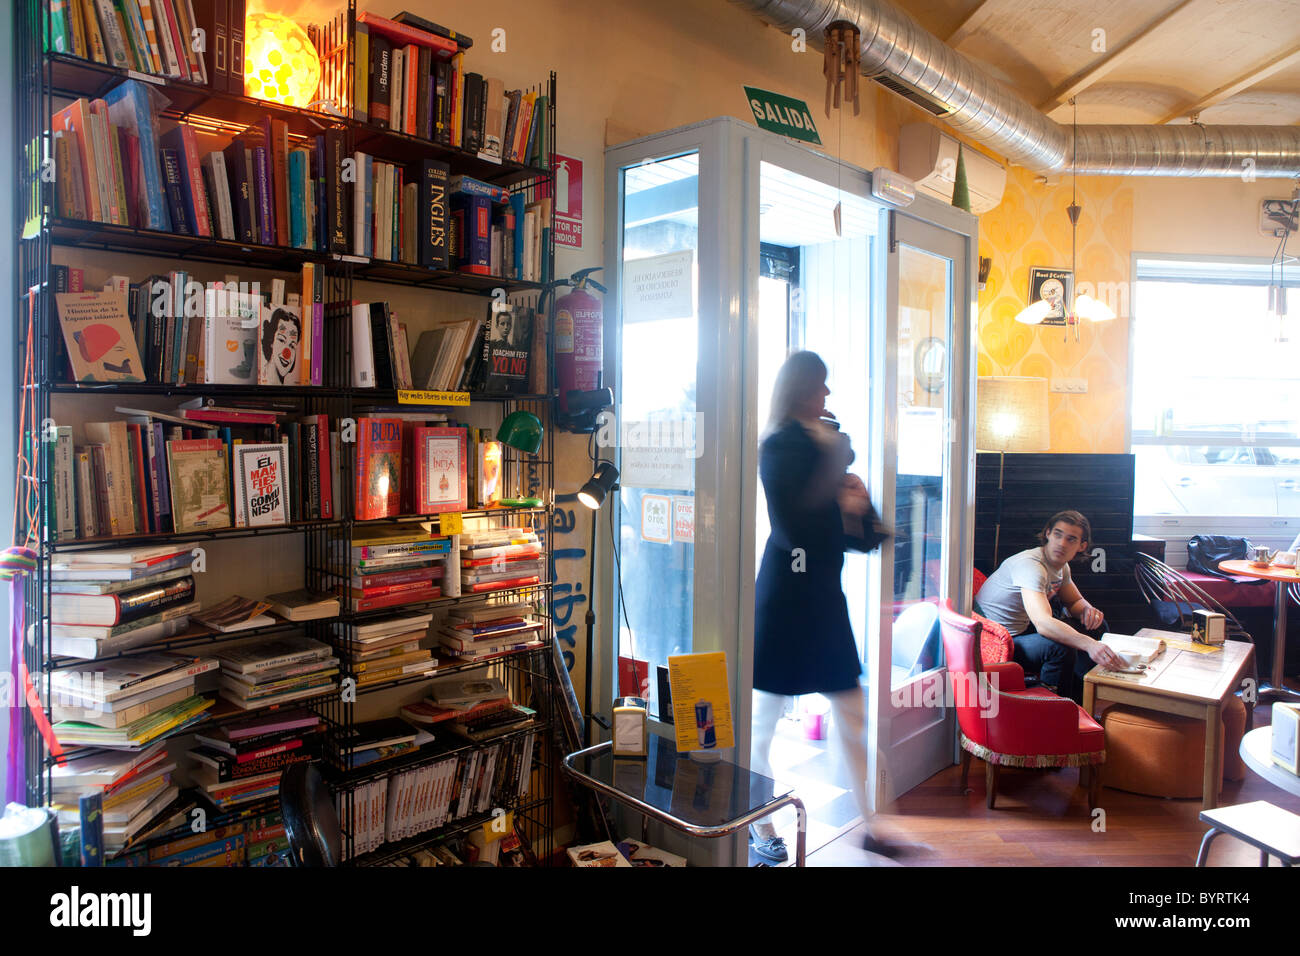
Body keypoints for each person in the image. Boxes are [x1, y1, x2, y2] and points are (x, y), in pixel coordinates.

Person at [750, 351, 892, 864]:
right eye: (821, 386)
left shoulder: (827, 444)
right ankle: (760, 825)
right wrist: (838, 481)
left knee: (851, 712)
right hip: (786, 595)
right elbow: (796, 525)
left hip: (824, 598)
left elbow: (861, 538)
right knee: (761, 721)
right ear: (800, 389)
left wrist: (857, 506)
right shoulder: (780, 446)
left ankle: (874, 825)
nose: (828, 396)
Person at [975, 510, 1125, 703]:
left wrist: (1089, 611)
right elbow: (1043, 624)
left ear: (1082, 546)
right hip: (998, 641)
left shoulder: (1061, 566)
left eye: (1071, 539)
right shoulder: (1031, 566)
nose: (1062, 543)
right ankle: (1053, 708)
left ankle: (1083, 696)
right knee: (1059, 648)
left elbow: (1074, 602)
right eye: (1057, 534)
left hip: (1021, 630)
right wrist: (1089, 645)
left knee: (1096, 626)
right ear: (1047, 534)